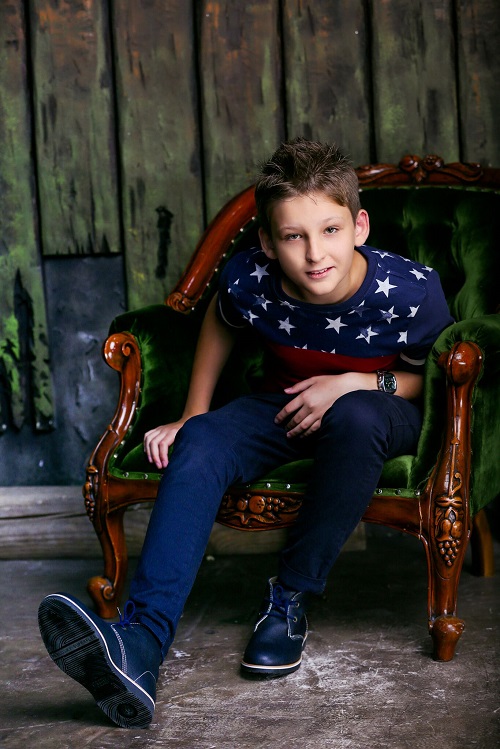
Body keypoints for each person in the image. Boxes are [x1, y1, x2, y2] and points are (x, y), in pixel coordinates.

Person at [38, 138, 454, 728]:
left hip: (381, 413)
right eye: (293, 236)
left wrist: (353, 384)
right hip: (285, 408)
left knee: (357, 416)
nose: (315, 254)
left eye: (331, 230)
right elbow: (220, 318)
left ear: (359, 227)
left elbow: (435, 377)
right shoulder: (249, 278)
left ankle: (288, 600)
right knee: (202, 442)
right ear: (267, 241)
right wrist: (194, 413)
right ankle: (140, 645)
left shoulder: (411, 290)